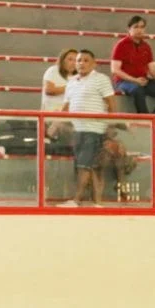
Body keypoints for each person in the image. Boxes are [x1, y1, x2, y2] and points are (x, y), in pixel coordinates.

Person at [61, 49, 116, 207]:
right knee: (86, 165)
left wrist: (110, 125)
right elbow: (66, 106)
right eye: (78, 60)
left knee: (85, 165)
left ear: (94, 64)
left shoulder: (101, 79)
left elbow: (111, 104)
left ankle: (77, 200)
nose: (81, 63)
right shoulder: (71, 82)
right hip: (77, 129)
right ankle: (97, 202)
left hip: (94, 128)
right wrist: (56, 122)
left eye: (85, 60)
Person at [110, 15, 155, 115]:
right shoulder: (121, 45)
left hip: (142, 80)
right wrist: (134, 80)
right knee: (138, 90)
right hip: (124, 82)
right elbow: (115, 70)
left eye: (142, 27)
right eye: (136, 27)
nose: (139, 30)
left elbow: (151, 69)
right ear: (129, 29)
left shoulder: (146, 46)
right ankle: (144, 118)